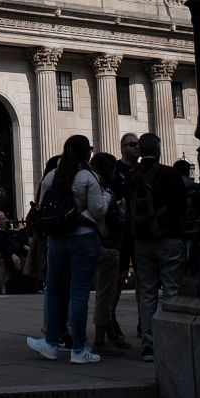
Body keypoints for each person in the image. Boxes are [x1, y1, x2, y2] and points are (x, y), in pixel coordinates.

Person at [27, 134, 110, 364]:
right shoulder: (88, 176)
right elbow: (98, 210)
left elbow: (43, 207)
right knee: (79, 293)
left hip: (56, 240)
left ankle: (52, 343)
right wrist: (107, 196)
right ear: (86, 152)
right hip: (83, 238)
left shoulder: (53, 175)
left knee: (54, 291)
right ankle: (79, 349)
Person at [127, 132, 186, 361]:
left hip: (141, 241)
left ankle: (149, 344)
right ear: (159, 150)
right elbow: (182, 205)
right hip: (169, 238)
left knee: (147, 293)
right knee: (171, 290)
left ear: (141, 151)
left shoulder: (133, 175)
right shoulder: (169, 173)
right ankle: (172, 340)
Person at [86, 151, 131, 352]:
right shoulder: (104, 191)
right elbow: (114, 220)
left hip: (91, 244)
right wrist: (122, 212)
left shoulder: (89, 186)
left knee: (104, 293)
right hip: (108, 246)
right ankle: (99, 339)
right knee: (106, 295)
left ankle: (112, 333)